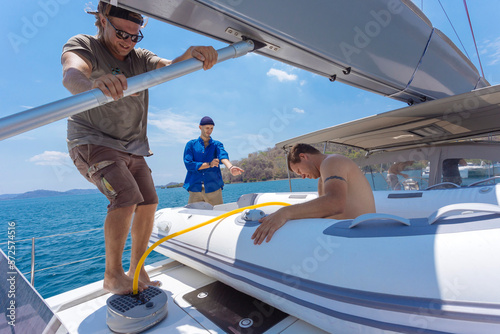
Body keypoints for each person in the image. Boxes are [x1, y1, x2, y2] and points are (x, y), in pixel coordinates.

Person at [61, 2, 218, 295]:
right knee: (126, 197)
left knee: (148, 201)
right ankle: (112, 275)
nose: (128, 41)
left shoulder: (139, 57)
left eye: (135, 36)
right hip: (93, 140)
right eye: (122, 33)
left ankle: (137, 267)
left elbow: (171, 67)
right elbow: (71, 73)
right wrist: (93, 84)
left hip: (133, 146)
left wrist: (193, 53)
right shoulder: (84, 45)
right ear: (102, 20)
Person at [252, 143, 375, 245]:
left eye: (299, 171)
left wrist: (285, 213)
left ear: (303, 156)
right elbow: (325, 210)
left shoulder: (332, 161)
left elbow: (335, 203)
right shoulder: (323, 177)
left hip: (361, 237)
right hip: (349, 236)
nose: (303, 177)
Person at [183, 116, 244, 205]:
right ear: (200, 127)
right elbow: (189, 164)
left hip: (214, 189)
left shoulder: (217, 144)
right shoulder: (191, 145)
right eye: (207, 128)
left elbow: (223, 155)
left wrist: (230, 167)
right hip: (195, 189)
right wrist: (209, 164)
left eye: (211, 128)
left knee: (218, 216)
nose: (209, 130)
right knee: (194, 217)